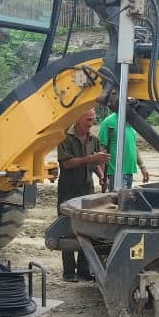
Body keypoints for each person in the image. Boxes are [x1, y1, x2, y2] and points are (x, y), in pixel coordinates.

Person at [57, 109, 109, 281]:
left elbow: (96, 163)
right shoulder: (64, 137)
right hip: (68, 190)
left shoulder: (93, 139)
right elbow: (67, 164)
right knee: (67, 228)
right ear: (78, 118)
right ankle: (69, 271)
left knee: (87, 229)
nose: (91, 123)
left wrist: (101, 176)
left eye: (93, 120)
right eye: (88, 120)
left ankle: (84, 269)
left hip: (87, 190)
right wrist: (92, 159)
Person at [97, 111, 149, 190]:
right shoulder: (108, 122)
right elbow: (101, 148)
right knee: (120, 198)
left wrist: (142, 166)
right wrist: (102, 175)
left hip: (129, 172)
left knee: (126, 197)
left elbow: (133, 146)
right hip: (115, 173)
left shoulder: (130, 123)